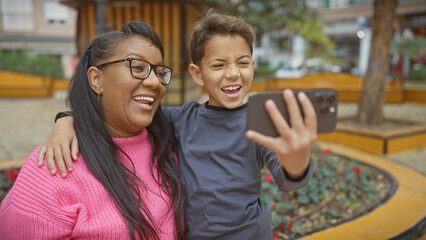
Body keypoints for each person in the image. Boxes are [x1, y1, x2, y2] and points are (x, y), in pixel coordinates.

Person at [38, 13, 317, 239]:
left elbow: (288, 178)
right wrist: (67, 119)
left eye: (242, 63)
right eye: (218, 65)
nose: (233, 73)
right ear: (197, 74)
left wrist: (297, 161)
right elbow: (124, 113)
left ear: (253, 67)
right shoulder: (181, 118)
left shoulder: (260, 120)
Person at [0, 22, 185, 240]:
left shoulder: (167, 145)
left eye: (160, 71)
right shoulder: (53, 167)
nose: (155, 82)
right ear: (96, 79)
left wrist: (66, 118)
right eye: (138, 67)